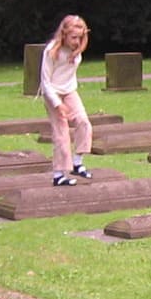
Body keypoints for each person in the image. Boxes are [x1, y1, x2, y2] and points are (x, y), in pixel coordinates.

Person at [39, 15, 93, 187]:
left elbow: (69, 77)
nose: (77, 42)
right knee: (61, 133)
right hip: (52, 93)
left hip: (69, 91)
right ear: (64, 35)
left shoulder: (76, 51)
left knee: (84, 122)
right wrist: (58, 104)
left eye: (80, 37)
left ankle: (77, 162)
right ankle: (58, 175)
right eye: (73, 37)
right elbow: (45, 83)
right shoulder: (51, 51)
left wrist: (67, 99)